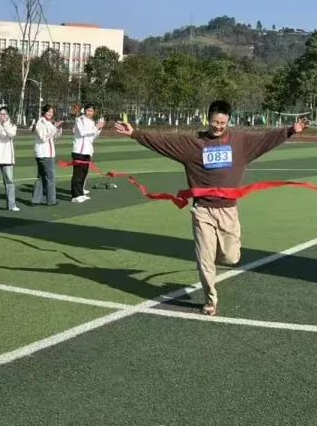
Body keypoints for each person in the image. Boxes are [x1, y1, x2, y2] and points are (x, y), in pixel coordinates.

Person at [113, 100, 307, 316]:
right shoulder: (193, 144)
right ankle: (210, 300)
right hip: (202, 210)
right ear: (208, 118)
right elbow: (164, 142)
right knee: (204, 259)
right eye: (215, 122)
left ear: (228, 121)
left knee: (231, 258)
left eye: (223, 123)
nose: (218, 126)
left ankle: (217, 255)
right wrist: (135, 134)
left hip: (228, 211)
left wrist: (291, 130)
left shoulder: (240, 143)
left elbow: (265, 140)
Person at [71, 103, 110, 202]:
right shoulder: (79, 119)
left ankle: (81, 193)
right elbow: (83, 132)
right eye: (88, 110)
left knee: (84, 174)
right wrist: (96, 127)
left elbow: (93, 137)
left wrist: (99, 128)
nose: (90, 113)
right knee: (78, 175)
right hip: (79, 151)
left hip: (87, 151)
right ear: (85, 110)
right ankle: (75, 196)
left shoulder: (91, 122)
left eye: (92, 111)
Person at [32, 104, 61, 206]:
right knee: (50, 177)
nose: (50, 114)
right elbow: (43, 137)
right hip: (44, 153)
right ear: (44, 112)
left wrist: (58, 128)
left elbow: (55, 136)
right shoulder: (41, 122)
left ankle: (36, 200)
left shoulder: (48, 122)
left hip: (46, 153)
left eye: (52, 112)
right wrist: (54, 128)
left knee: (41, 176)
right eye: (48, 111)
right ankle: (51, 200)